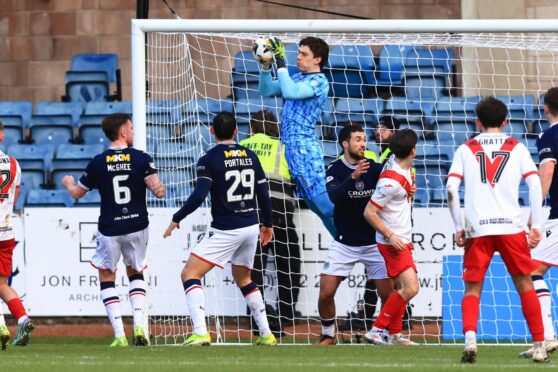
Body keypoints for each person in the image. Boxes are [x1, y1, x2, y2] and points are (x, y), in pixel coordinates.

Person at [446, 96, 548, 363]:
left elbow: (450, 188)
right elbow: (536, 185)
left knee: (472, 288)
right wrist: (535, 224)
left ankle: (470, 341)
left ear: (477, 121)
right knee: (525, 283)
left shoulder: (465, 148)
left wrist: (459, 225)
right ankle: (539, 345)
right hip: (511, 226)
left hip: (477, 228)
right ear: (505, 121)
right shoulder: (517, 147)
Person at [162, 112, 276, 346]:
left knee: (189, 274)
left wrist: (177, 217)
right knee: (243, 277)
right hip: (251, 225)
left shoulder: (209, 158)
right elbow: (263, 194)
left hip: (227, 228)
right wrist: (268, 224)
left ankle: (201, 332)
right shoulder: (251, 156)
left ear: (212, 131)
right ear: (237, 131)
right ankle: (266, 334)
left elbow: (199, 195)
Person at [62, 113, 165, 347]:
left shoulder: (98, 162)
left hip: (110, 227)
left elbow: (77, 193)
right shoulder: (140, 158)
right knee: (136, 272)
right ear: (123, 132)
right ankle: (140, 325)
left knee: (107, 276)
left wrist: (68, 183)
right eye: (131, 127)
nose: (133, 131)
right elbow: (158, 191)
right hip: (138, 224)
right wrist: (158, 184)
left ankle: (119, 335)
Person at [316, 125, 394, 345]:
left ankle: (384, 332)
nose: (363, 143)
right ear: (344, 144)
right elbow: (333, 197)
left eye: (363, 139)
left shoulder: (374, 168)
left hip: (374, 241)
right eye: (358, 139)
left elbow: (393, 182)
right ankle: (328, 334)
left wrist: (408, 186)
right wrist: (352, 177)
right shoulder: (334, 169)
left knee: (388, 293)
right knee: (326, 292)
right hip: (345, 242)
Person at [258, 36, 335, 237]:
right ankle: (344, 243)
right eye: (298, 53)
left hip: (304, 150)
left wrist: (281, 62)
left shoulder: (319, 81)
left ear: (317, 59)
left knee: (325, 207)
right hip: (291, 151)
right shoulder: (299, 78)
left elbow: (291, 92)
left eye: (304, 54)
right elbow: (266, 89)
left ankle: (357, 243)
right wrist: (267, 66)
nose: (298, 58)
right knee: (317, 208)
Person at [239, 111, 301, 330]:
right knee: (289, 265)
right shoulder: (283, 148)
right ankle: (286, 314)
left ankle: (256, 316)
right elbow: (297, 179)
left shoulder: (242, 147)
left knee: (253, 268)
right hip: (281, 211)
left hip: (250, 212)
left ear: (252, 127)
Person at [363, 129, 419, 346]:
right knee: (411, 287)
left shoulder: (405, 170)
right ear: (413, 151)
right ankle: (377, 329)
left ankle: (394, 334)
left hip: (402, 237)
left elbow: (402, 190)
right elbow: (369, 212)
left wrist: (410, 190)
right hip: (393, 241)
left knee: (401, 289)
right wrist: (390, 235)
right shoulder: (390, 181)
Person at [519, 87, 558, 358]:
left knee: (532, 271)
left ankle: (546, 337)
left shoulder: (549, 135)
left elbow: (546, 172)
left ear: (545, 108)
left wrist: (535, 213)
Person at [0, 121, 34, 349]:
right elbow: (16, 195)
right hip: (6, 231)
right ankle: (22, 318)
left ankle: (2, 327)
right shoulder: (14, 163)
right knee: (2, 284)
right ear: (1, 136)